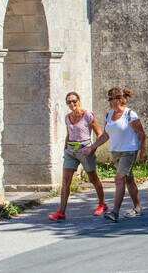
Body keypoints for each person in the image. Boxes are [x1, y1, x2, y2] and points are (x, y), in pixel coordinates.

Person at [84, 87, 147, 223]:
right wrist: (92, 147)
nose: (109, 101)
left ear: (119, 99)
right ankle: (138, 208)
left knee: (119, 179)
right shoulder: (109, 115)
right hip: (115, 151)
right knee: (129, 179)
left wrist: (143, 150)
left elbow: (141, 133)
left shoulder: (130, 115)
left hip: (129, 151)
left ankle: (115, 212)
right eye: (108, 98)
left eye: (111, 98)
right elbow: (106, 135)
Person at [48, 91, 107, 221]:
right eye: (69, 102)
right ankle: (61, 212)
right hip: (71, 151)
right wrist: (65, 148)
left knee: (93, 178)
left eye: (74, 101)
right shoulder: (67, 117)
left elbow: (99, 134)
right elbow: (69, 134)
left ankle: (102, 204)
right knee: (65, 181)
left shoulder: (87, 115)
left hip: (85, 150)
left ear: (79, 100)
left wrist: (93, 148)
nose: (72, 104)